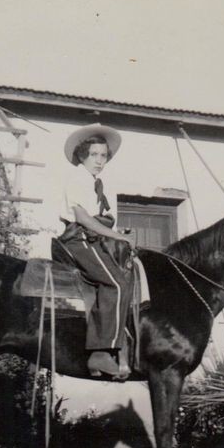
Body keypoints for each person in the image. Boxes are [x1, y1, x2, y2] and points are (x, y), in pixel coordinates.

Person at [55, 122, 136, 379]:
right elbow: (84, 218)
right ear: (82, 155)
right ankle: (101, 353)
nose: (100, 161)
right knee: (118, 284)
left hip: (95, 239)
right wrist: (113, 235)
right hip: (78, 239)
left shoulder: (98, 183)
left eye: (104, 156)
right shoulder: (77, 179)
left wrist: (119, 234)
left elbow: (103, 219)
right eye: (94, 155)